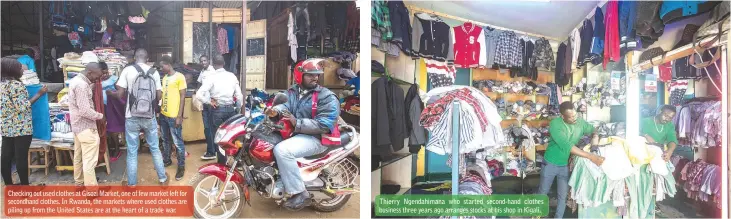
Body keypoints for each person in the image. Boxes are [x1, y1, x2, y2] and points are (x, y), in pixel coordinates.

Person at [267, 58, 341, 210]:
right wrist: (275, 111)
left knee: (282, 150)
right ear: (299, 76)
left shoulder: (326, 96)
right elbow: (285, 104)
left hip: (317, 138)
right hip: (299, 134)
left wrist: (297, 123)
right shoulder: (294, 91)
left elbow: (325, 124)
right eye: (310, 74)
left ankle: (300, 193)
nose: (315, 78)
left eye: (317, 75)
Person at [108, 49, 169, 186]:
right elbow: (159, 96)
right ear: (147, 59)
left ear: (135, 58)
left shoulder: (128, 70)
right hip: (149, 116)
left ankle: (132, 184)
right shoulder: (154, 72)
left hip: (132, 116)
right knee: (154, 148)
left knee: (132, 151)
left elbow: (120, 94)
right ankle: (163, 179)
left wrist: (110, 94)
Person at [538, 101, 604, 218]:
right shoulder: (555, 124)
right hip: (550, 164)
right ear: (562, 116)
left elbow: (593, 129)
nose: (574, 118)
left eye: (575, 115)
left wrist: (595, 136)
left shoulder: (580, 123)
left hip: (564, 165)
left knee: (562, 196)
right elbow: (567, 146)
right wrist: (591, 157)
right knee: (543, 193)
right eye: (571, 117)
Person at [0, 57, 47, 185]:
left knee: (6, 156)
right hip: (21, 126)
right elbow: (22, 106)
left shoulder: (2, 84)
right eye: (20, 68)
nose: (22, 70)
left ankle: (9, 185)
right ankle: (25, 187)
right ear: (13, 70)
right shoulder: (16, 85)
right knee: (21, 157)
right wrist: (39, 93)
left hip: (6, 126)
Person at [195, 55, 243, 163]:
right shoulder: (232, 76)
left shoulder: (211, 77)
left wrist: (209, 102)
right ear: (224, 64)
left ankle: (222, 164)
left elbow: (199, 95)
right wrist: (238, 109)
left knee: (219, 138)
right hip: (231, 110)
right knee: (233, 137)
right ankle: (237, 162)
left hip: (217, 111)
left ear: (213, 64)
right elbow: (239, 96)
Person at [67, 62, 105, 186]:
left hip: (78, 127)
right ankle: (92, 190)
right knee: (90, 161)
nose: (97, 79)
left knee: (78, 157)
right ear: (89, 73)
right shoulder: (82, 85)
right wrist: (100, 117)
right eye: (96, 76)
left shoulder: (76, 81)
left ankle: (79, 183)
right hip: (86, 127)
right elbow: (85, 110)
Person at [158, 56, 188, 181]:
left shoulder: (179, 77)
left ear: (168, 64)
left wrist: (179, 116)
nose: (160, 68)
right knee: (165, 140)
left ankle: (181, 167)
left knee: (178, 143)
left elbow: (182, 97)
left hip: (174, 116)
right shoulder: (164, 78)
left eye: (162, 66)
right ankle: (167, 160)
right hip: (164, 114)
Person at [196, 55, 217, 160]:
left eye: (205, 60)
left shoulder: (213, 72)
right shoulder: (202, 72)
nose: (203, 62)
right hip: (205, 102)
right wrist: (197, 91)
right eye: (201, 61)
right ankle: (213, 150)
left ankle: (211, 151)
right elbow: (199, 83)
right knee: (208, 128)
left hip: (211, 103)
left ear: (209, 60)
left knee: (209, 128)